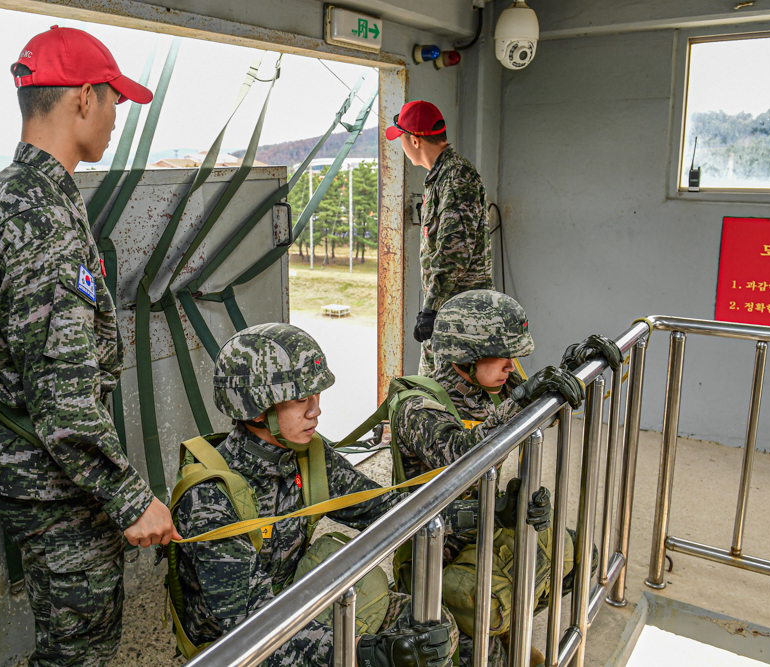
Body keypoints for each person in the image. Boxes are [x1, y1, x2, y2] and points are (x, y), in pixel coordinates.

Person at [0, 27, 177, 666]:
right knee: (80, 650)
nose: (116, 116)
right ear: (84, 98)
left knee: (65, 639)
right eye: (114, 101)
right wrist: (133, 497)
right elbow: (62, 396)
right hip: (54, 476)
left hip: (28, 459)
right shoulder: (42, 215)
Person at [173, 323, 548, 667]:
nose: (316, 410)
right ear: (256, 408)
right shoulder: (210, 497)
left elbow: (384, 509)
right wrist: (364, 654)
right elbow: (247, 627)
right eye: (301, 398)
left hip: (294, 605)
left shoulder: (306, 455)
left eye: (316, 394)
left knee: (431, 627)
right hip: (234, 646)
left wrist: (488, 512)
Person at [389, 289, 621, 667]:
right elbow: (462, 454)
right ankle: (492, 638)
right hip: (435, 559)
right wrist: (521, 401)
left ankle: (505, 628)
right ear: (465, 356)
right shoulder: (418, 406)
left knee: (580, 557)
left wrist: (576, 366)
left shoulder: (490, 386)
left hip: (485, 532)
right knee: (478, 655)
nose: (513, 367)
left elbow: (542, 402)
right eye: (504, 356)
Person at [385, 100, 494, 375]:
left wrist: (431, 309)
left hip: (460, 315)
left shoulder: (456, 178)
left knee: (451, 395)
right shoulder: (442, 176)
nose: (402, 145)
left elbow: (454, 253)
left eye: (402, 139)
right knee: (433, 387)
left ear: (415, 140)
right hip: (448, 307)